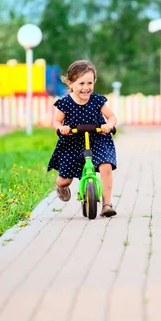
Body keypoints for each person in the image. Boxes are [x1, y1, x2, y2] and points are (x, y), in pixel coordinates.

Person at [47, 60, 118, 217]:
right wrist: (61, 128)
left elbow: (111, 116)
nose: (86, 88)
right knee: (65, 180)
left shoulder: (97, 100)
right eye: (81, 83)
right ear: (70, 83)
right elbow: (56, 121)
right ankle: (61, 186)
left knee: (105, 165)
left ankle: (107, 204)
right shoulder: (65, 103)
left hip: (97, 138)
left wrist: (109, 125)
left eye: (89, 83)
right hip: (72, 141)